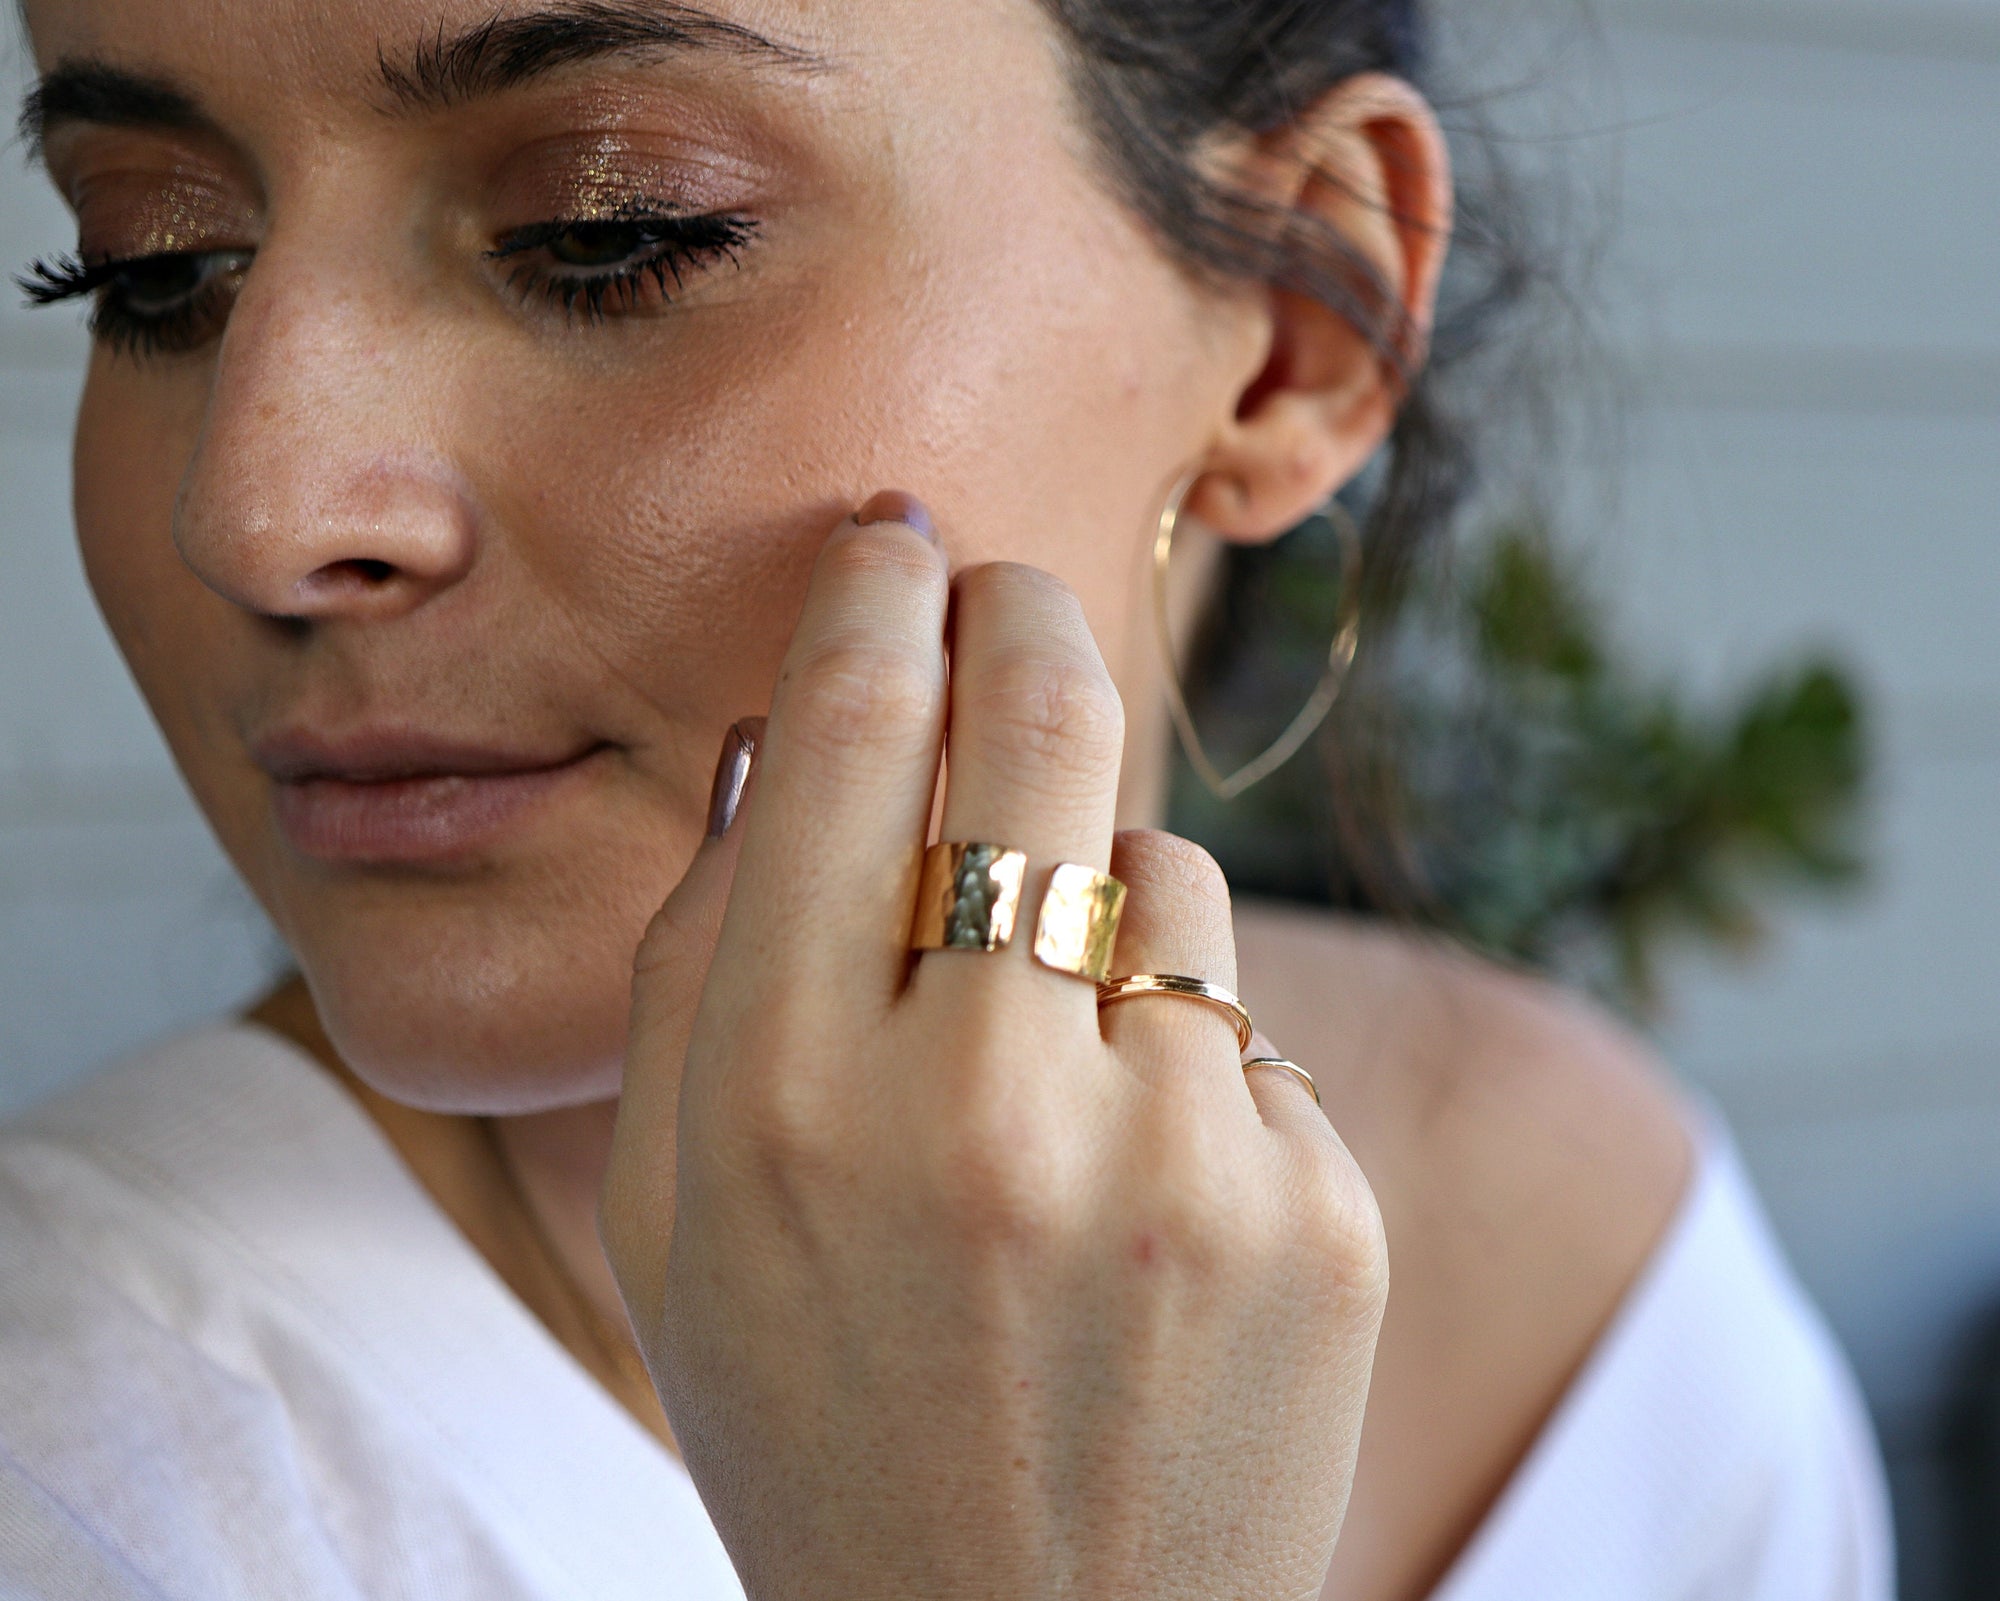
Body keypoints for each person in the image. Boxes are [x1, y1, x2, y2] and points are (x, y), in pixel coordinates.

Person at [0, 0, 1893, 1596]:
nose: (256, 507)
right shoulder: (87, 1462)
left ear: (1300, 329)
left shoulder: (1609, 1281)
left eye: (613, 231)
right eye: (155, 267)